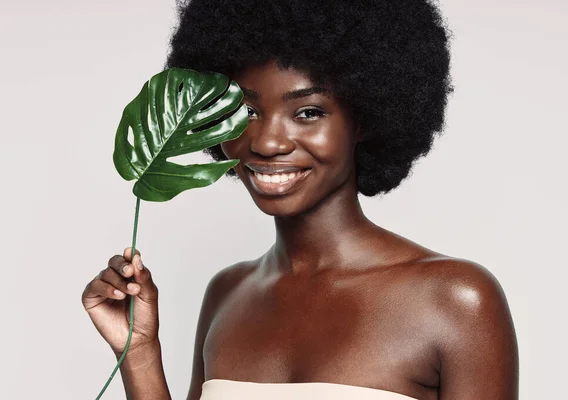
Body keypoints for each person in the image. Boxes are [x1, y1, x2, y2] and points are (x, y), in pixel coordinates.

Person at [82, 0, 519, 399]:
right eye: (247, 112)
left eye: (308, 112)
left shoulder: (456, 300)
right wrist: (138, 352)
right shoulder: (228, 294)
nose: (268, 142)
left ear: (364, 118)